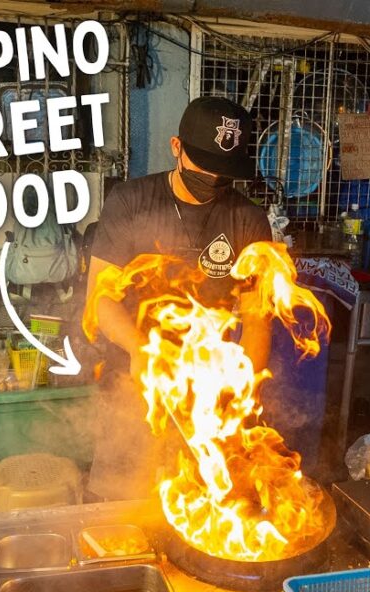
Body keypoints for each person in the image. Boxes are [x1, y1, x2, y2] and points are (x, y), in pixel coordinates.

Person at [84, 96, 273, 499]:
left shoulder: (248, 220)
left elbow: (257, 318)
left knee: (203, 503)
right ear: (176, 147)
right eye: (203, 164)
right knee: (123, 503)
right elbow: (100, 298)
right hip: (133, 379)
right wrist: (140, 350)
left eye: (224, 171)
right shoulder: (131, 201)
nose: (213, 178)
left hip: (208, 387)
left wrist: (239, 392)